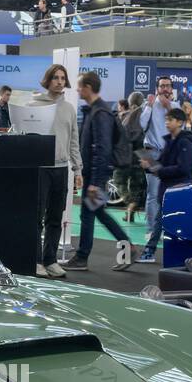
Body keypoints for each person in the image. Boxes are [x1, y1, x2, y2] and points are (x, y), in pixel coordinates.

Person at [62, 71, 132, 273]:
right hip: (93, 175)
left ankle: (83, 257)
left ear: (88, 87)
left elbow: (103, 148)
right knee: (95, 213)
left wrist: (95, 182)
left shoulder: (100, 113)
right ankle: (127, 247)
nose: (76, 89)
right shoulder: (95, 110)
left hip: (96, 176)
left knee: (90, 214)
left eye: (79, 86)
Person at [24, 64, 82, 278]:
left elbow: (74, 140)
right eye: (56, 77)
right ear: (47, 80)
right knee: (37, 217)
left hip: (61, 169)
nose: (59, 81)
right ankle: (36, 260)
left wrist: (78, 169)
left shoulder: (69, 109)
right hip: (40, 169)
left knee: (55, 218)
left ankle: (50, 260)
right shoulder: (33, 105)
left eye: (62, 78)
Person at [136, 106, 192, 264]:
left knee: (166, 222)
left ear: (180, 122)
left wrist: (159, 170)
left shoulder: (184, 142)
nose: (167, 122)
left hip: (178, 190)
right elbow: (162, 164)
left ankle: (151, 251)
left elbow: (183, 168)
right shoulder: (170, 140)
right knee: (163, 221)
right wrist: (150, 166)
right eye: (166, 119)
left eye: (170, 120)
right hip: (168, 189)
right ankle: (154, 252)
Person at [139, 76, 176, 235]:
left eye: (168, 86)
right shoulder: (149, 105)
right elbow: (141, 125)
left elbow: (180, 128)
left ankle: (164, 228)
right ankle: (151, 230)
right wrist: (149, 105)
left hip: (169, 153)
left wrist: (169, 107)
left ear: (172, 89)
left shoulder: (175, 106)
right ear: (157, 89)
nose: (165, 89)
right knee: (153, 193)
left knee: (169, 194)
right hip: (150, 151)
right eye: (162, 86)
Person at [117, 90, 147, 222]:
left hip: (125, 157)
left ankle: (129, 204)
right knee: (136, 186)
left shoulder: (124, 117)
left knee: (118, 181)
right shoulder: (146, 116)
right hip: (141, 156)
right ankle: (131, 210)